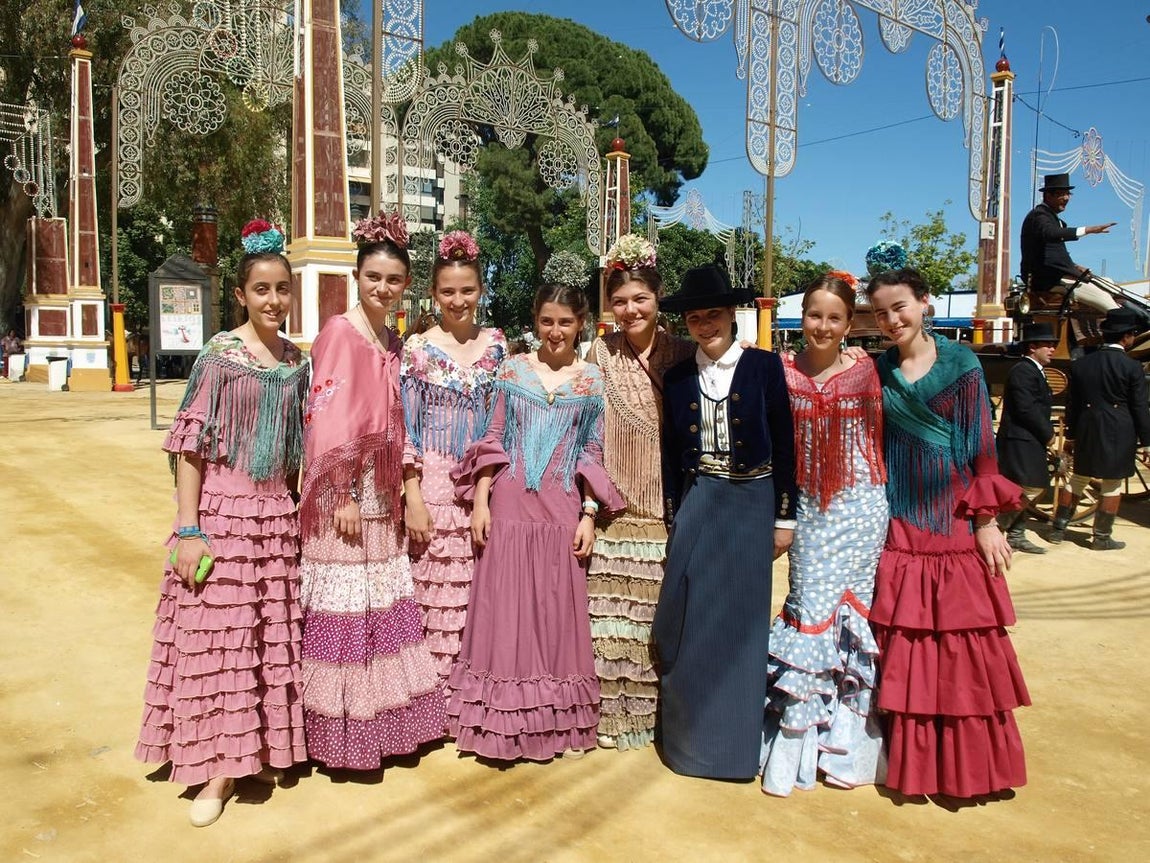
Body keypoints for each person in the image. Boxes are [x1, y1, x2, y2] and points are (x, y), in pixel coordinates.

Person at [135, 220, 308, 827]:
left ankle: (251, 751)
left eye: (282, 289)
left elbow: (294, 452)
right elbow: (190, 448)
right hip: (224, 516)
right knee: (222, 641)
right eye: (261, 289)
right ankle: (215, 772)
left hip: (275, 521)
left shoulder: (296, 365)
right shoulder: (219, 356)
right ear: (241, 294)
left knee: (263, 639)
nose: (273, 301)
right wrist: (189, 528)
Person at [866, 267, 1030, 801]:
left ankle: (969, 768)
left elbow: (982, 444)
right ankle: (913, 764)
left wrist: (986, 522)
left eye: (900, 307)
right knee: (907, 648)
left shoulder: (963, 363)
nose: (892, 320)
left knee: (961, 647)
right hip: (899, 526)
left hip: (955, 523)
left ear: (924, 303)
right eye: (882, 312)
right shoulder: (876, 369)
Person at [447, 283, 623, 761]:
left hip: (562, 510)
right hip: (508, 507)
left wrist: (589, 513)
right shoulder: (514, 368)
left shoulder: (590, 381)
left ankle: (553, 723)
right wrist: (481, 500)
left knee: (552, 613)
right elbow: (494, 435)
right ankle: (500, 723)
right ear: (535, 319)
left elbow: (591, 450)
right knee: (505, 611)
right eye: (547, 321)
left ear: (580, 324)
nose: (555, 331)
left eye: (565, 322)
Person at [297, 211, 445, 770]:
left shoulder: (391, 339)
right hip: (349, 497)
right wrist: (342, 495)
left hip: (382, 494)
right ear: (356, 278)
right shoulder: (340, 332)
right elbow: (327, 420)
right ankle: (339, 739)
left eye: (394, 280)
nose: (383, 288)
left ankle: (379, 730)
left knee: (377, 608)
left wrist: (406, 490)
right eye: (373, 278)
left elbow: (396, 421)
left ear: (406, 285)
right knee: (344, 608)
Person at [654, 264, 797, 780]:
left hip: (752, 500)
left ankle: (732, 751)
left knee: (741, 623)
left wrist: (786, 518)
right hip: (699, 498)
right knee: (689, 616)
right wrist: (676, 516)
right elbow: (672, 454)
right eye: (695, 317)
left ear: (732, 316)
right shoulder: (675, 377)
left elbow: (785, 444)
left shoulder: (764, 367)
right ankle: (689, 743)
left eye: (713, 314)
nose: (704, 324)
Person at [759, 271, 888, 796]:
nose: (824, 326)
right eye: (815, 315)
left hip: (862, 510)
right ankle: (792, 754)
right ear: (801, 316)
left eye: (835, 317)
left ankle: (842, 750)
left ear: (849, 322)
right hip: (808, 513)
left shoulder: (867, 370)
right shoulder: (778, 372)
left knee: (852, 621)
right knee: (809, 610)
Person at [585, 234, 694, 751]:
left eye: (639, 299)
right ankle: (609, 718)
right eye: (619, 301)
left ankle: (655, 721)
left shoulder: (685, 354)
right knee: (610, 618)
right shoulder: (599, 353)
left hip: (667, 507)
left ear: (658, 297)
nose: (629, 310)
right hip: (613, 505)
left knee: (655, 617)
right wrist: (589, 503)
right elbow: (588, 432)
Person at [400, 231, 507, 681]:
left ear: (480, 291)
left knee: (475, 592)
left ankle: (467, 692)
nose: (457, 300)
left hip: (485, 487)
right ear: (432, 292)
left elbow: (502, 424)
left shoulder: (498, 346)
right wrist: (413, 497)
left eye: (467, 290)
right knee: (431, 589)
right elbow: (404, 428)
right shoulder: (418, 350)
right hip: (434, 487)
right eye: (447, 291)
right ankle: (430, 699)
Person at [1051, 307, 1150, 550]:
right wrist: (1147, 441)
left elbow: (1072, 405)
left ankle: (1058, 529)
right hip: (1119, 428)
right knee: (1112, 484)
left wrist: (1071, 435)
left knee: (1077, 478)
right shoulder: (1132, 367)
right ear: (1127, 337)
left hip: (1087, 425)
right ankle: (1101, 537)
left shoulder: (1081, 365)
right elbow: (1139, 407)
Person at [1019, 172, 1123, 315]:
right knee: (1108, 302)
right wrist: (1088, 230)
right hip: (1047, 280)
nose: (1067, 198)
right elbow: (1050, 234)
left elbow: (1051, 255)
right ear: (1048, 196)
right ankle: (1121, 329)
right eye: (1062, 194)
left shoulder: (1050, 218)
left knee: (1110, 284)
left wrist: (1074, 267)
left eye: (1068, 194)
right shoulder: (1038, 216)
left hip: (1058, 276)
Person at [995, 322, 1058, 554]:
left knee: (1020, 487)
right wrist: (1049, 434)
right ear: (1033, 347)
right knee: (1032, 486)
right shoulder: (1023, 371)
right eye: (1048, 345)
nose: (1052, 349)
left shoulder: (1033, 371)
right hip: (1019, 439)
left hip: (1028, 439)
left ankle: (1016, 534)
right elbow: (1026, 408)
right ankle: (998, 523)